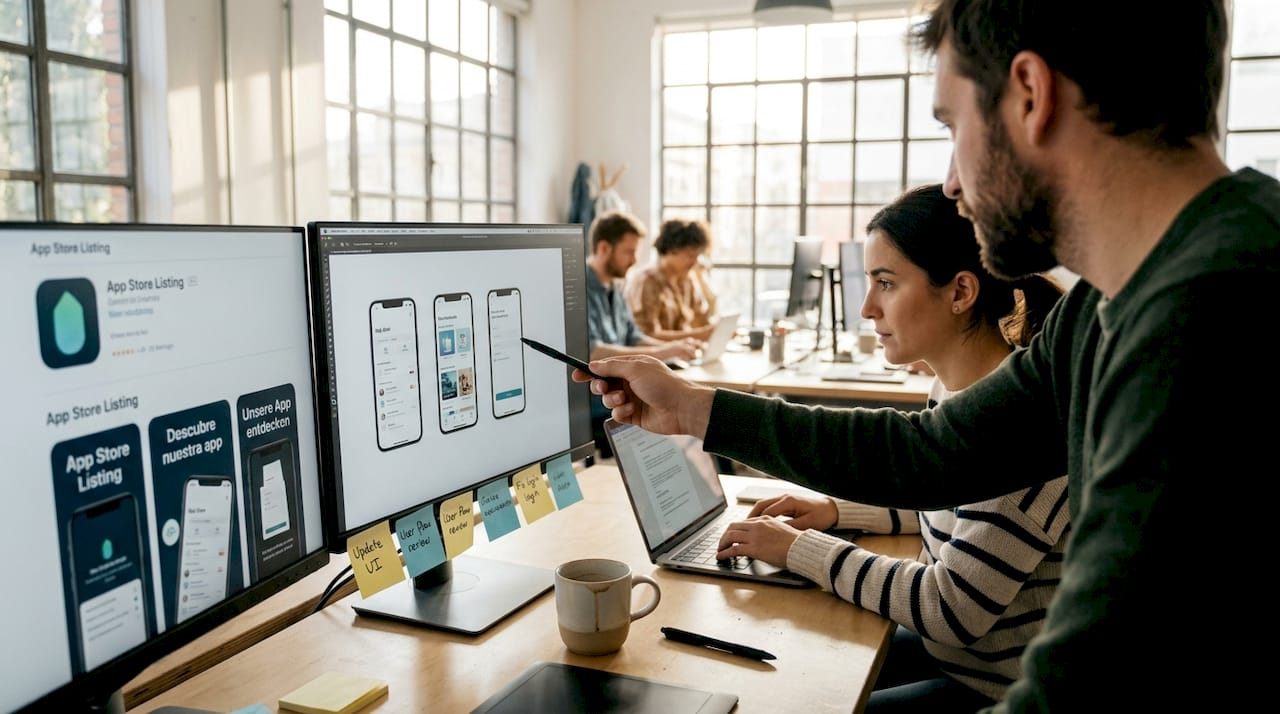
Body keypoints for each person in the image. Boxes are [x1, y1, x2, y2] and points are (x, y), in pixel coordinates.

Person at [579, 1, 1279, 710]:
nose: (951, 182)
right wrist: (693, 407)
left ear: (1030, 95)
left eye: (952, 126)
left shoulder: (1210, 315)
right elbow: (931, 453)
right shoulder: (1109, 302)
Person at [721, 184, 1066, 712]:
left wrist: (799, 550)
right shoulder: (954, 389)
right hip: (959, 658)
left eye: (885, 283)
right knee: (800, 671)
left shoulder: (1016, 427)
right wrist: (837, 510)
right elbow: (947, 495)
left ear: (960, 292)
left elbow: (948, 608)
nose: (866, 308)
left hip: (1002, 688)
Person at [584, 210, 701, 455]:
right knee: (681, 416)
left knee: (692, 410)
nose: (634, 260)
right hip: (597, 398)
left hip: (626, 389)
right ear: (604, 248)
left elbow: (634, 337)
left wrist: (674, 348)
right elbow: (593, 352)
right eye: (629, 252)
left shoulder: (615, 287)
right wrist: (664, 352)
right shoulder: (579, 288)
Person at [624, 218, 719, 342]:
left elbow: (702, 320)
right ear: (671, 250)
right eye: (690, 255)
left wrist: (720, 331)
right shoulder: (647, 282)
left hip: (686, 352)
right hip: (659, 353)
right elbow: (647, 335)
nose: (694, 262)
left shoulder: (688, 279)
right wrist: (700, 335)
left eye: (697, 256)